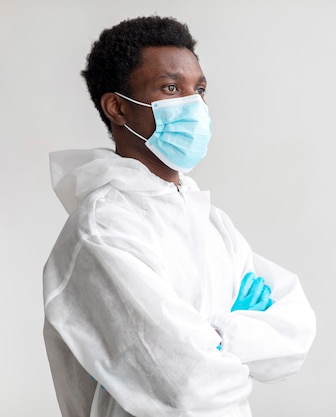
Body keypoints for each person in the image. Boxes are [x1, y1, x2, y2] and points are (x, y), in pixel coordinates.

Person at [42, 16, 316, 417]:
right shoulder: (103, 230)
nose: (195, 105)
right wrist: (235, 331)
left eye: (199, 90)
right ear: (117, 107)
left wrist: (216, 339)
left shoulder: (207, 219)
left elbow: (296, 334)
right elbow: (188, 386)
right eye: (171, 88)